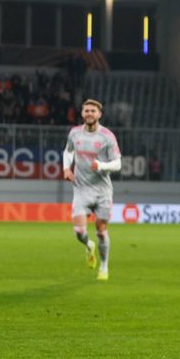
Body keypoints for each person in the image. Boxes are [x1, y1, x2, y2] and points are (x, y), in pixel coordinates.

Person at [63, 99, 122, 281]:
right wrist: (66, 168)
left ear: (99, 114)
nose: (89, 113)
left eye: (93, 111)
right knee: (79, 232)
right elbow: (68, 151)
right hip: (81, 189)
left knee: (101, 231)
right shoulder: (74, 133)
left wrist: (102, 166)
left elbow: (118, 164)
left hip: (102, 191)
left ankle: (104, 266)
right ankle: (89, 246)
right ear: (82, 113)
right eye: (86, 110)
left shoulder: (107, 136)